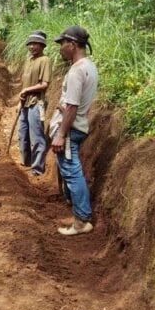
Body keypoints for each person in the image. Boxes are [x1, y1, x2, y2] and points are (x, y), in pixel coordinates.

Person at [48, 25, 99, 236]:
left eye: (62, 44)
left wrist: (61, 134)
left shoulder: (77, 71)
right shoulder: (89, 66)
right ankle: (78, 213)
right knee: (70, 171)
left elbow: (72, 107)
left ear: (73, 44)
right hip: (75, 126)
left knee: (71, 172)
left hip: (70, 130)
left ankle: (82, 221)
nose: (60, 48)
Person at [18, 30, 52, 176]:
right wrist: (20, 101)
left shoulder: (45, 60)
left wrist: (27, 90)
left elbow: (44, 84)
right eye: (30, 44)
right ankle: (26, 162)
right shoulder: (29, 60)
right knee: (22, 134)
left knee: (36, 136)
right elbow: (24, 83)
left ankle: (37, 168)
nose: (32, 46)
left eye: (35, 44)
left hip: (36, 103)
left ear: (42, 45)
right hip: (25, 103)